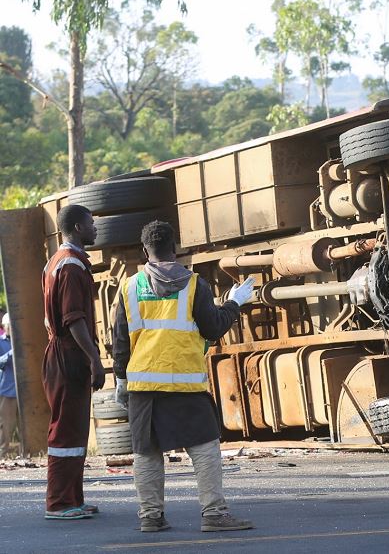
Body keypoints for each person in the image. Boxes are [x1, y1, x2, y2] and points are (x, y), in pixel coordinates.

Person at [112, 220, 255, 533]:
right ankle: (214, 514)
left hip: (143, 384)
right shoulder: (194, 285)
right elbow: (213, 328)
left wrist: (121, 381)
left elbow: (120, 341)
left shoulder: (129, 286)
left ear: (144, 251)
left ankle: (150, 517)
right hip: (185, 382)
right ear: (174, 248)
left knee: (147, 453)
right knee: (204, 447)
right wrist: (235, 302)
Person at [41, 204, 104, 520]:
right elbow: (74, 319)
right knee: (65, 431)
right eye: (91, 224)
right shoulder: (71, 267)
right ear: (78, 228)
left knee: (74, 429)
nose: (95, 228)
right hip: (69, 355)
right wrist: (94, 359)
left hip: (63, 353)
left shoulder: (57, 262)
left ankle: (73, 499)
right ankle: (59, 503)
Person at [0, 313, 17, 458]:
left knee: (24, 426)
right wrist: (11, 353)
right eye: (9, 326)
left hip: (23, 391)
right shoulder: (1, 343)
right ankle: (3, 453)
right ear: (4, 326)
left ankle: (26, 452)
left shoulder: (21, 340)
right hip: (8, 390)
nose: (11, 328)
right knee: (6, 425)